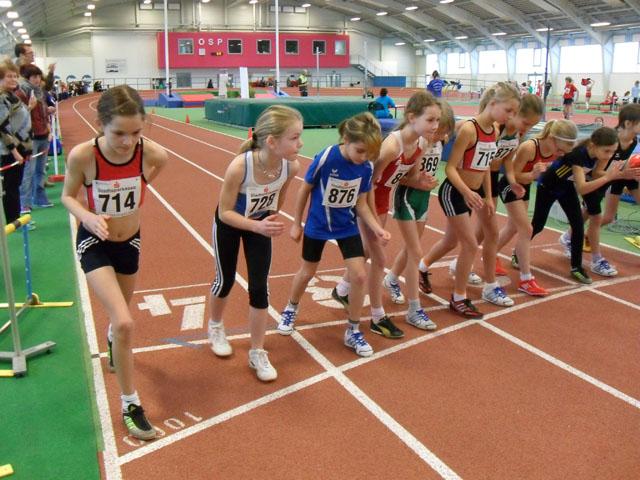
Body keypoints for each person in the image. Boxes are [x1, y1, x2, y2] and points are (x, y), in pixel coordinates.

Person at [61, 85, 168, 440]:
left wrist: (141, 184)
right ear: (101, 124)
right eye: (118, 133)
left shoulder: (149, 153)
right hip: (95, 241)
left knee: (121, 317)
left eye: (136, 132)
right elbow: (67, 197)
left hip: (130, 242)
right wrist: (88, 217)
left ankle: (111, 337)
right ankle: (130, 403)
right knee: (124, 322)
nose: (127, 142)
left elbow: (159, 164)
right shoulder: (83, 156)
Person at [276, 113, 390, 357]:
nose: (363, 157)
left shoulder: (366, 167)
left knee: (359, 275)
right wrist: (297, 223)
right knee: (307, 272)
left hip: (346, 226)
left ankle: (353, 330)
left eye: (369, 154)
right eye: (360, 151)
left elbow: (361, 204)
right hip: (318, 225)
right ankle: (290, 308)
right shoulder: (327, 157)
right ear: (346, 139)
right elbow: (305, 189)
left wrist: (377, 228)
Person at [334, 91, 441, 338]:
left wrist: (420, 181)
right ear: (411, 117)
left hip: (382, 199)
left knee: (368, 251)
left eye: (437, 120)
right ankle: (377, 316)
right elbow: (368, 183)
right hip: (367, 199)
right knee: (380, 259)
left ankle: (342, 289)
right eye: (430, 120)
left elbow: (407, 177)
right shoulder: (392, 146)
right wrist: (374, 221)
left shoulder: (421, 144)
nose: (435, 126)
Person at [207, 105, 302, 381]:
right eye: (294, 138)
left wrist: (267, 220)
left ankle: (257, 351)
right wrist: (256, 225)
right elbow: (225, 212)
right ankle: (215, 325)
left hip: (259, 225)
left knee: (260, 287)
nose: (300, 143)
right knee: (225, 280)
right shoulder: (240, 166)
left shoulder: (291, 167)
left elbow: (279, 199)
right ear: (272, 142)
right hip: (230, 224)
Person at [422, 82, 521, 318]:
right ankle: (458, 297)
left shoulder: (494, 131)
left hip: (474, 194)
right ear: (493, 104)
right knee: (469, 244)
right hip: (454, 192)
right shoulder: (469, 129)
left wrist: (488, 196)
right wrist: (467, 192)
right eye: (508, 110)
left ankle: (422, 267)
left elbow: (486, 167)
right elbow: (450, 169)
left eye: (514, 112)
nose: (511, 116)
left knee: (450, 242)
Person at [531, 127, 639, 284]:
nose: (610, 155)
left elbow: (595, 175)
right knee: (538, 225)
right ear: (593, 145)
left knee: (578, 226)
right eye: (607, 151)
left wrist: (621, 174)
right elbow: (582, 188)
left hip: (566, 187)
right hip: (548, 186)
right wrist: (610, 177)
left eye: (612, 152)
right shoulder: (577, 155)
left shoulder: (599, 154)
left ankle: (576, 267)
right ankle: (518, 253)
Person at [385, 100, 455, 306]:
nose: (440, 134)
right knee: (415, 250)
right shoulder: (419, 143)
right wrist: (418, 182)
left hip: (424, 198)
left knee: (411, 247)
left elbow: (454, 128)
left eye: (443, 131)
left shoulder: (441, 139)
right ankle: (414, 305)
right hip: (407, 195)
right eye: (438, 130)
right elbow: (398, 177)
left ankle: (391, 278)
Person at [499, 120, 578, 296]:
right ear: (551, 138)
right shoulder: (529, 147)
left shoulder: (557, 151)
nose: (560, 154)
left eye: (564, 152)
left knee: (513, 227)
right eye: (560, 150)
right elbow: (512, 174)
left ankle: (491, 255)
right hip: (511, 185)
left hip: (525, 186)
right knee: (527, 229)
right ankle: (526, 279)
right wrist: (533, 174)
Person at [561, 104, 640, 273]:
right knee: (598, 216)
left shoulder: (634, 141)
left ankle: (576, 236)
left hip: (620, 174)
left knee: (602, 217)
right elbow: (597, 172)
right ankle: (576, 240)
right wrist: (620, 174)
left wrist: (629, 173)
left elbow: (623, 164)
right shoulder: (611, 140)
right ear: (628, 123)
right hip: (600, 178)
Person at [17, 64, 52, 215]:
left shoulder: (39, 92)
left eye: (38, 76)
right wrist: (30, 107)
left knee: (40, 170)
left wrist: (49, 129)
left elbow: (43, 113)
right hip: (30, 138)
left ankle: (40, 198)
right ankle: (24, 204)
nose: (37, 80)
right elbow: (19, 117)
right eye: (34, 77)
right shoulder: (22, 93)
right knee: (28, 173)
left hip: (43, 134)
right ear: (27, 78)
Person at [0, 60, 31, 224]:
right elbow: (3, 128)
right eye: (8, 76)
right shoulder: (2, 98)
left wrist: (27, 148)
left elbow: (20, 122)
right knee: (10, 186)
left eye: (15, 76)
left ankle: (15, 216)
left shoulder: (12, 96)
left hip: (20, 147)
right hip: (10, 151)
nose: (13, 79)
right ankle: (12, 220)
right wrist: (15, 151)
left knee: (15, 184)